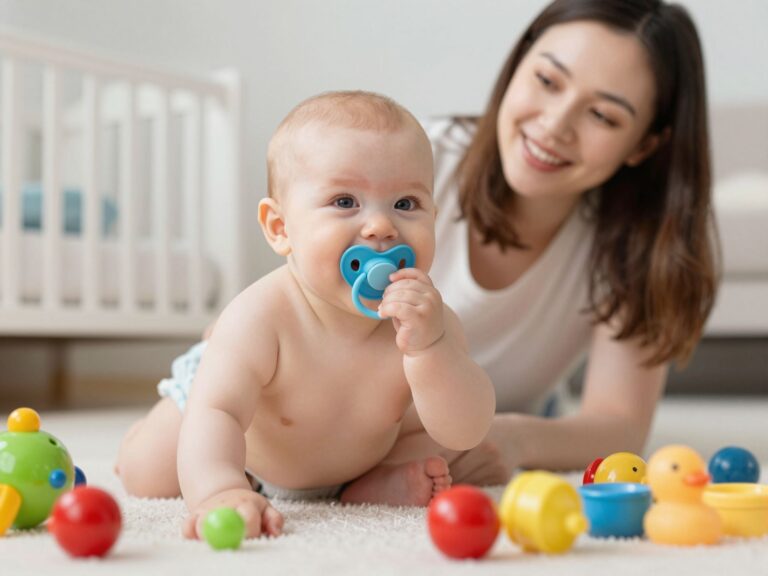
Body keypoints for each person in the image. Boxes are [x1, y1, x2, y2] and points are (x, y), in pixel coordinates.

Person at [116, 91, 496, 540]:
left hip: (361, 452)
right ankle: (154, 441)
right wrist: (219, 490)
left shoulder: (430, 322)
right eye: (344, 202)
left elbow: (465, 430)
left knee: (431, 422)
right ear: (280, 228)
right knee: (150, 471)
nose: (381, 226)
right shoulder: (263, 315)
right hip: (242, 435)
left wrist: (431, 351)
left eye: (406, 203)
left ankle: (369, 483)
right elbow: (218, 411)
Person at [384, 0, 718, 484]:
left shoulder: (637, 243)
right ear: (518, 63)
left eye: (602, 115)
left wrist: (517, 438)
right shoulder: (413, 165)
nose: (555, 125)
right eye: (547, 81)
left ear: (644, 145)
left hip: (513, 414)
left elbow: (620, 423)